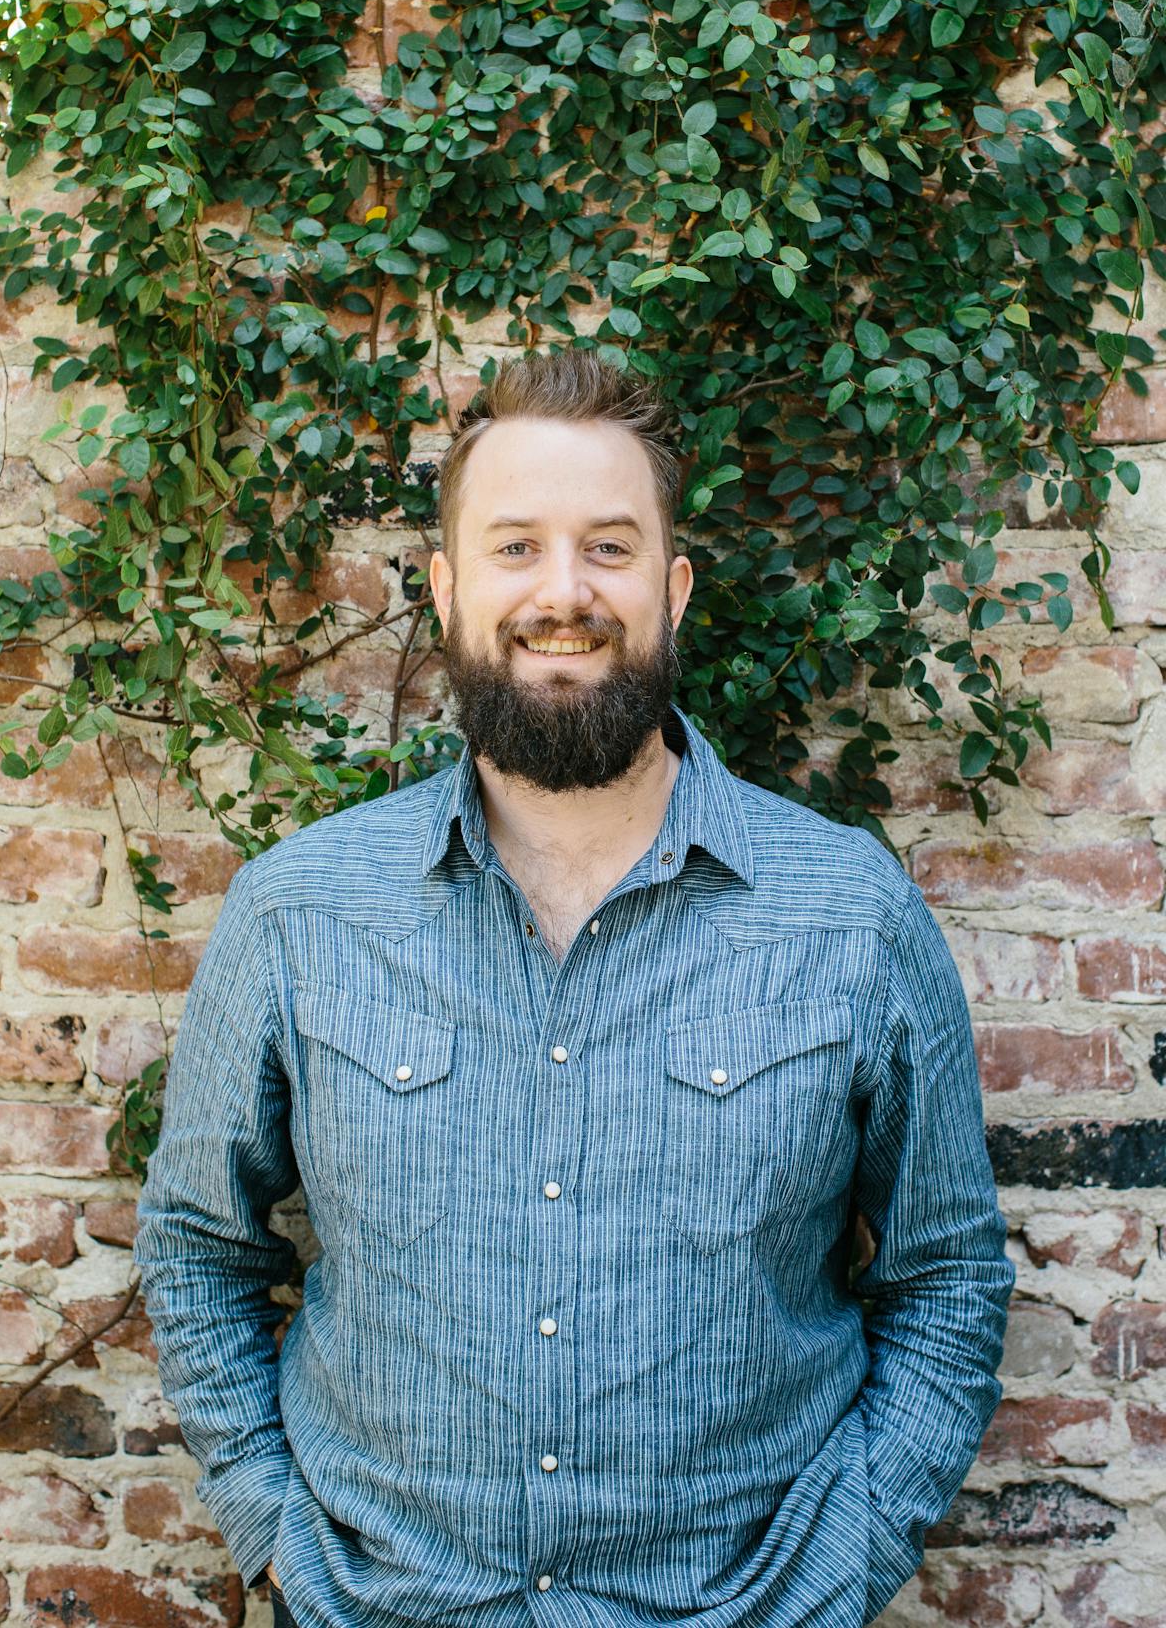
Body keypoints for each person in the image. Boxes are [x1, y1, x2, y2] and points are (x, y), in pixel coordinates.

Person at [133, 346, 1014, 1628]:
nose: (564, 593)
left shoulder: (849, 914)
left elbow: (947, 1275)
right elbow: (198, 1248)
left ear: (675, 587)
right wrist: (276, 1531)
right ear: (443, 590)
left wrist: (841, 1567)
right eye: (514, 548)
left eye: (609, 548)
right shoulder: (298, 913)